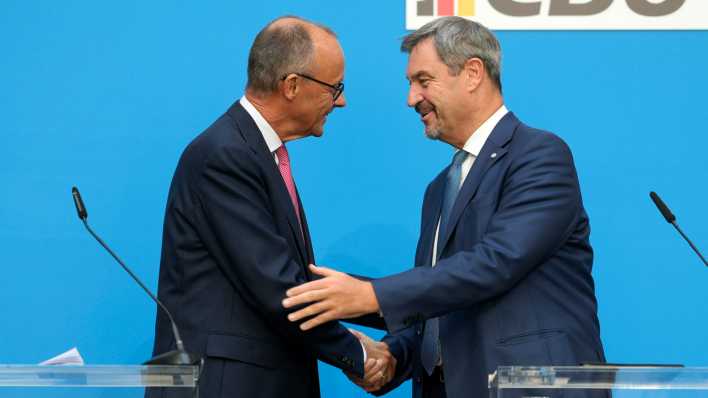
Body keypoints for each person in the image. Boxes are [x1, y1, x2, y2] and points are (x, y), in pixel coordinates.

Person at [283, 16, 606, 398]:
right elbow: (437, 308)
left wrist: (370, 295)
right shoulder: (440, 188)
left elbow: (495, 263)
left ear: (472, 73)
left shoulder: (538, 156)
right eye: (409, 84)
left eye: (423, 81)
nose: (411, 98)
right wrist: (392, 356)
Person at [148, 16, 392, 398]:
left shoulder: (255, 153)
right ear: (292, 85)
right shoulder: (225, 156)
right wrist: (359, 354)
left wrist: (396, 306)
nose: (341, 101)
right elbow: (279, 288)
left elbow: (292, 279)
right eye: (335, 87)